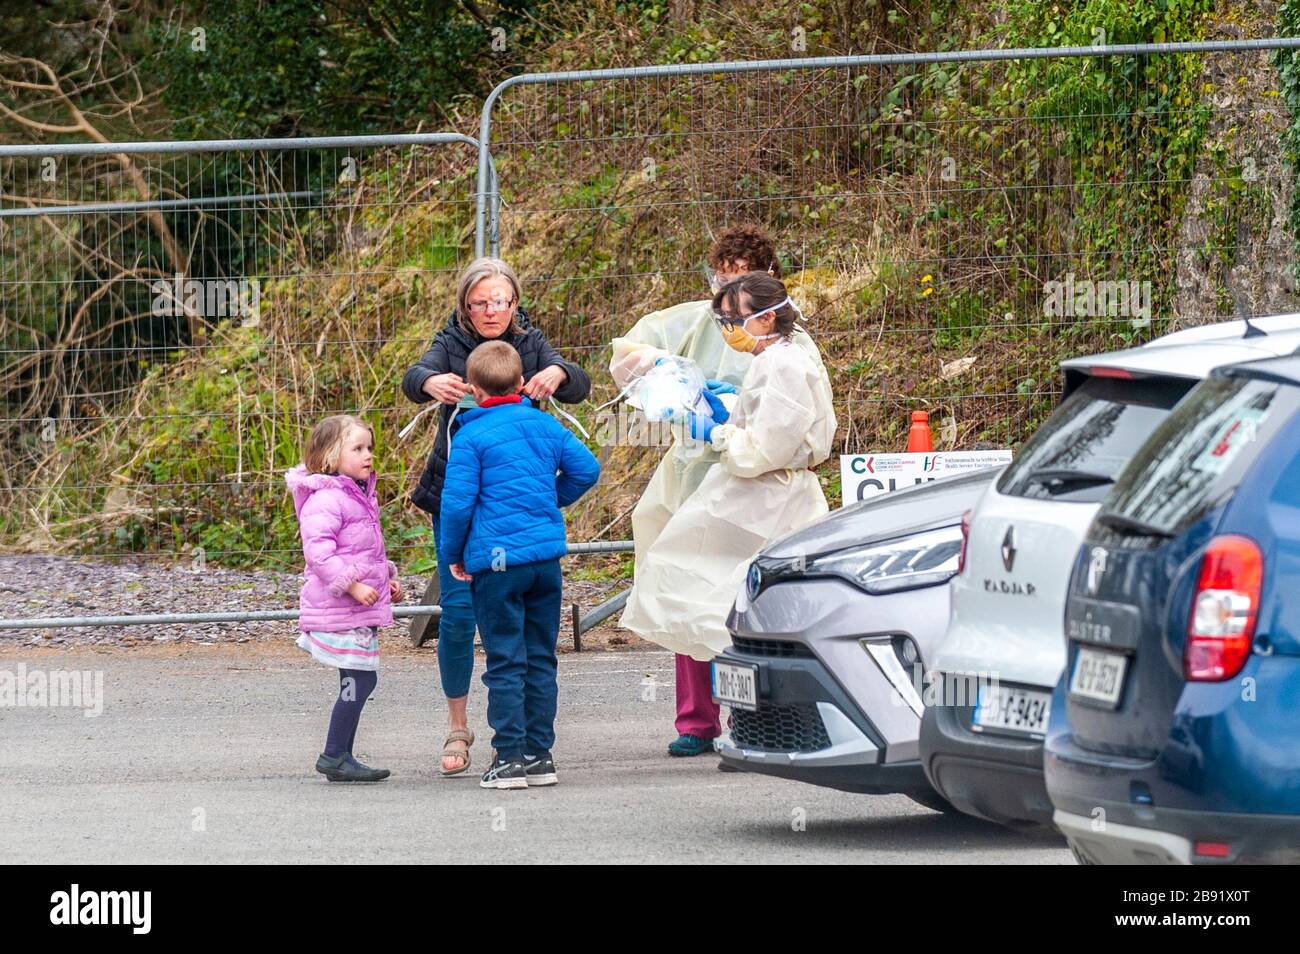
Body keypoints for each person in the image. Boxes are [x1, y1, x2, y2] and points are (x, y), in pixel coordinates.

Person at [610, 225, 832, 756]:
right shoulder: (699, 319)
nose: (728, 297)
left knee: (746, 603)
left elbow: (777, 439)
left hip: (755, 481)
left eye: (740, 282)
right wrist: (667, 372)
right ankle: (698, 720)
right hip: (701, 478)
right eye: (723, 280)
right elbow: (630, 352)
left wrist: (723, 425)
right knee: (695, 589)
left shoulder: (790, 349)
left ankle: (752, 718)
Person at [402, 258, 591, 776]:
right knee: (460, 614)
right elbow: (413, 375)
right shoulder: (450, 340)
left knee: (524, 641)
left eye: (500, 301)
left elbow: (578, 384)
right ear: (466, 306)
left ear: (514, 302)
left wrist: (561, 372)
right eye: (481, 302)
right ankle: (460, 727)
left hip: (516, 515)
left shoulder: (529, 339)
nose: (491, 311)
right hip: (459, 495)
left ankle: (520, 747)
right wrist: (430, 384)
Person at [439, 340, 601, 789]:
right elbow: (587, 470)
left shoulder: (469, 435)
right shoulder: (545, 426)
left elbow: (455, 504)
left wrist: (454, 553)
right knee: (540, 656)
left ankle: (508, 757)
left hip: (497, 564)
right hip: (544, 561)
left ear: (474, 389)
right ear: (521, 383)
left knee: (505, 658)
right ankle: (539, 755)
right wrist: (550, 502)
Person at [286, 414, 403, 782]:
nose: (368, 455)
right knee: (359, 680)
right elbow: (318, 554)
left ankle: (340, 754)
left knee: (358, 680)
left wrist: (387, 578)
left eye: (370, 447)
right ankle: (335, 754)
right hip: (339, 607)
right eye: (358, 449)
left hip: (355, 608)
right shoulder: (326, 499)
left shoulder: (359, 495)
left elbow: (365, 553)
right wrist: (352, 586)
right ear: (330, 456)